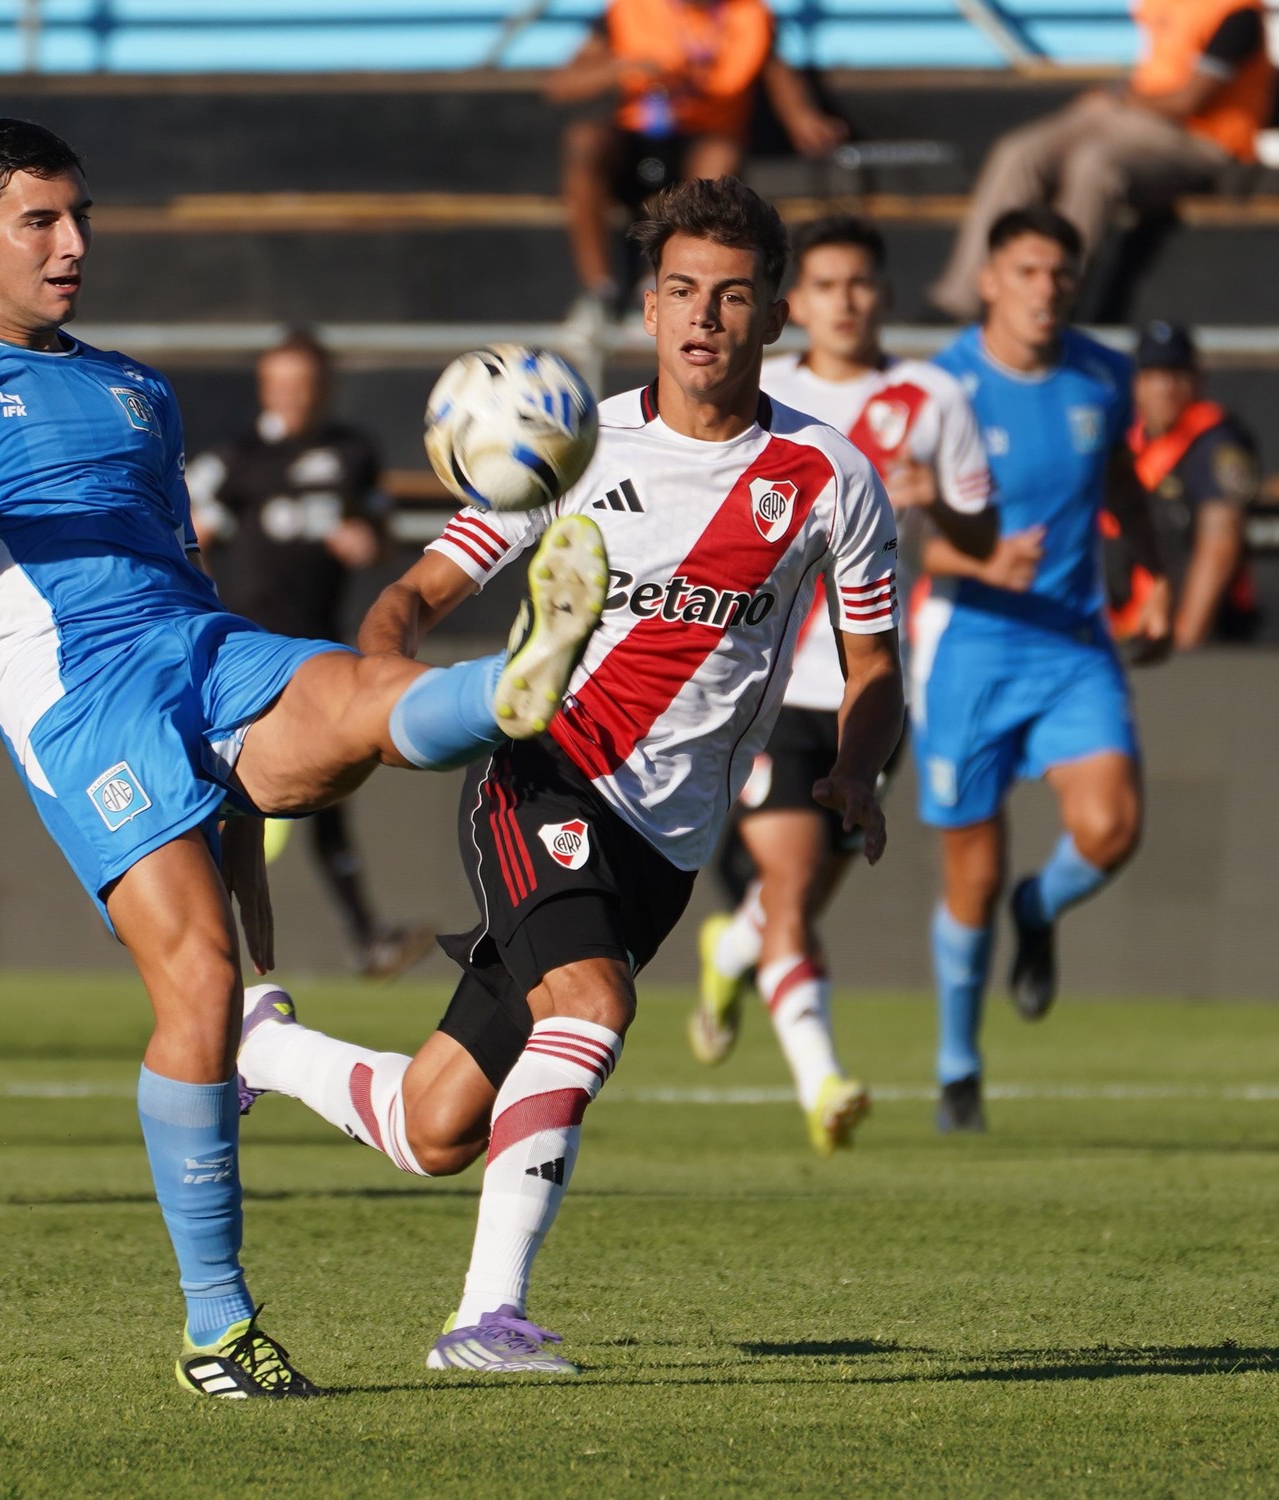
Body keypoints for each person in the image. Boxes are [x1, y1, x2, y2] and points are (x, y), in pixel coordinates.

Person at [0, 118, 610, 1400]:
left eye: (80, 217)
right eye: (41, 221)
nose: (73, 244)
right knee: (201, 996)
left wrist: (237, 836)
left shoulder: (134, 389)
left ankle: (508, 684)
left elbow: (184, 564)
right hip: (80, 704)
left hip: (201, 642)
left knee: (362, 696)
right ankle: (218, 1330)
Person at [237, 178, 905, 1373]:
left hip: (668, 843)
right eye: (682, 293)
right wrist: (382, 688)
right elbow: (413, 595)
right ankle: (483, 1322)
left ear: (772, 318)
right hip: (543, 779)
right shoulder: (566, 443)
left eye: (732, 297)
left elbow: (872, 665)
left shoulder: (830, 478)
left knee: (438, 1128)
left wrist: (858, 768)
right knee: (593, 1009)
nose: (704, 319)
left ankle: (263, 1051)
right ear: (648, 308)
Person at [687, 215, 997, 1154]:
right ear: (793, 305)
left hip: (872, 688)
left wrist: (932, 500)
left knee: (802, 900)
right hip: (769, 686)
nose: (845, 302)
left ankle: (730, 950)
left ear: (886, 296)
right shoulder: (756, 391)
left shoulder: (933, 397)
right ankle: (824, 1087)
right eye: (825, 286)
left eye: (861, 283)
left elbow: (981, 538)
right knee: (788, 885)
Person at [918, 207, 1171, 1134]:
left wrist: (1154, 573)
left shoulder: (1101, 376)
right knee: (969, 878)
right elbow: (905, 541)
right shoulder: (941, 389)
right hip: (972, 654)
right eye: (1026, 271)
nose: (1045, 289)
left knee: (1112, 829)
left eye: (1060, 273)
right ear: (989, 280)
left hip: (1072, 646)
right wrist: (982, 562)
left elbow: (1121, 483)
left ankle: (1043, 904)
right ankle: (957, 1069)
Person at [187, 329, 432, 978]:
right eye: (282, 384)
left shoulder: (351, 453)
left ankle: (366, 936)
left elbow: (379, 534)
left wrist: (366, 541)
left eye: (305, 384)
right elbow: (187, 519)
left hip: (316, 650)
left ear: (324, 388)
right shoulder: (238, 456)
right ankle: (173, 914)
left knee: (327, 790)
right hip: (239, 652)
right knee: (218, 794)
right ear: (266, 387)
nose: (293, 396)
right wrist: (198, 552)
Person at [930, 0, 1275, 321]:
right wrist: (1116, 98)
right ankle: (961, 301)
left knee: (1094, 164)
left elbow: (1190, 100)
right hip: (1134, 117)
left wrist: (1120, 100)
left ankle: (1058, 299)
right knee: (1020, 151)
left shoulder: (1238, 13)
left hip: (1202, 140)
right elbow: (1158, 72)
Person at [546, 0, 847, 317]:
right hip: (637, 134)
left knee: (720, 158)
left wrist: (805, 119)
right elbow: (562, 85)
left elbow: (778, 74)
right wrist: (621, 67)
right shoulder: (628, 9)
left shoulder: (750, 14)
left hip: (709, 135)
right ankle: (598, 292)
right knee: (583, 142)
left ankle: (665, 283)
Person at [1108, 319, 1260, 648]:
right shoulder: (1123, 443)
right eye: (1153, 375)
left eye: (1177, 374)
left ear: (1198, 380)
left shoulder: (1218, 445)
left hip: (1192, 642)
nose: (1166, 387)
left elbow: (1219, 545)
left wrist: (1186, 644)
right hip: (1122, 633)